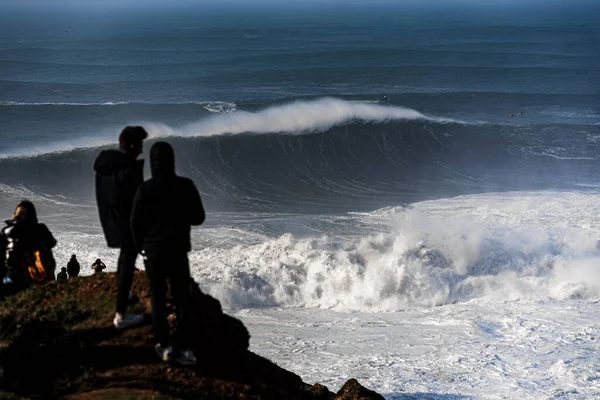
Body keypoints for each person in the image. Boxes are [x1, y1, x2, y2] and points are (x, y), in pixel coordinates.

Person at [131, 141, 205, 365]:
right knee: (182, 299)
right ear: (172, 160)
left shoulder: (145, 189)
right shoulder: (185, 185)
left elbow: (134, 223)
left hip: (153, 252)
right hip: (178, 250)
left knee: (158, 297)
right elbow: (198, 217)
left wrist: (140, 248)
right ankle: (183, 348)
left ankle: (164, 346)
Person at [94, 125, 148, 329]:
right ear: (133, 145)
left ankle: (124, 295)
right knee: (127, 260)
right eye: (140, 145)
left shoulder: (107, 164)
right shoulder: (129, 169)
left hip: (112, 219)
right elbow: (134, 201)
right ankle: (121, 314)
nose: (142, 150)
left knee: (125, 259)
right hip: (127, 223)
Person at [0, 200, 57, 296]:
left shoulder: (7, 231)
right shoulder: (41, 229)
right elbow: (52, 243)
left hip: (13, 277)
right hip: (40, 275)